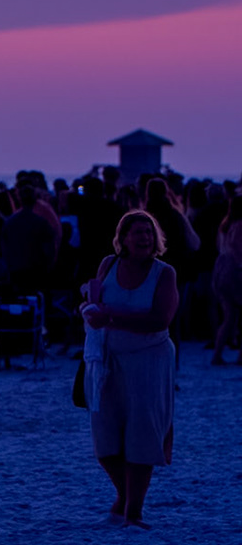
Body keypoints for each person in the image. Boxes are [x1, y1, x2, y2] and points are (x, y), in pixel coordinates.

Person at [81, 210, 178, 528]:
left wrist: (111, 316)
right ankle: (125, 496)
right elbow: (97, 302)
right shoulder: (108, 265)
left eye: (149, 233)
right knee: (105, 437)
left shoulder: (164, 273)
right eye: (137, 233)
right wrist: (90, 310)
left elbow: (160, 319)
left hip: (148, 361)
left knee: (141, 434)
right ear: (122, 238)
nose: (144, 238)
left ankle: (133, 510)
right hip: (108, 359)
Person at [209, 195, 242, 365]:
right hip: (235, 271)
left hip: (221, 269)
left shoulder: (225, 225)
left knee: (229, 317)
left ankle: (217, 354)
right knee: (233, 316)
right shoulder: (239, 225)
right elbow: (237, 247)